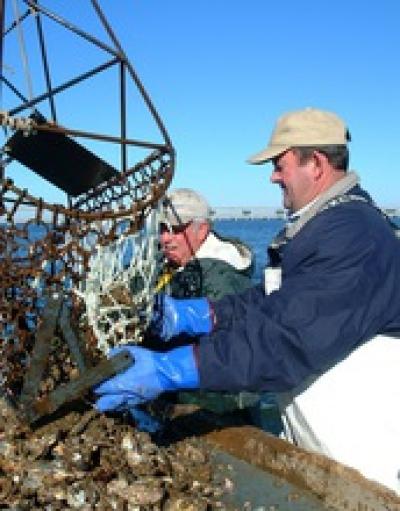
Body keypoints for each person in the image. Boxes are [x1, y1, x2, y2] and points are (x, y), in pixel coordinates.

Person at [94, 108, 400, 494]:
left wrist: (170, 369)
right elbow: (274, 302)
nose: (273, 175)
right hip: (325, 442)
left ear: (317, 163)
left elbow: (285, 340)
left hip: (363, 451)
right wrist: (197, 314)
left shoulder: (354, 235)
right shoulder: (327, 224)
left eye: (279, 164)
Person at [153, 187, 260, 414]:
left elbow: (228, 356)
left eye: (176, 229)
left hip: (222, 407)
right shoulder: (174, 267)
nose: (165, 238)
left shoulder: (220, 277)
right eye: (162, 228)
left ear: (202, 230)